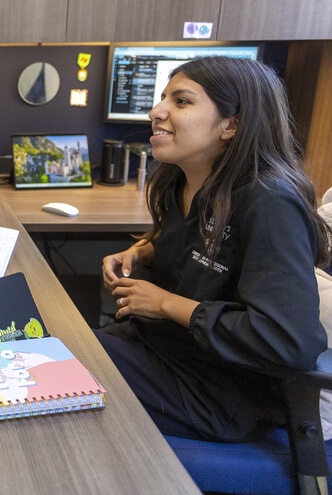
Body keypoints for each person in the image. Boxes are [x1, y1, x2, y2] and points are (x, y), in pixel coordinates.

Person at [99, 55, 332, 443]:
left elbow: (288, 341)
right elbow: (202, 246)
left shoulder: (269, 202)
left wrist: (164, 303)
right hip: (164, 349)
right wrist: (143, 251)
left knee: (58, 383)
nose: (156, 112)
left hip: (220, 390)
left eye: (182, 101)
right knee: (52, 350)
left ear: (232, 124)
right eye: (162, 99)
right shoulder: (185, 180)